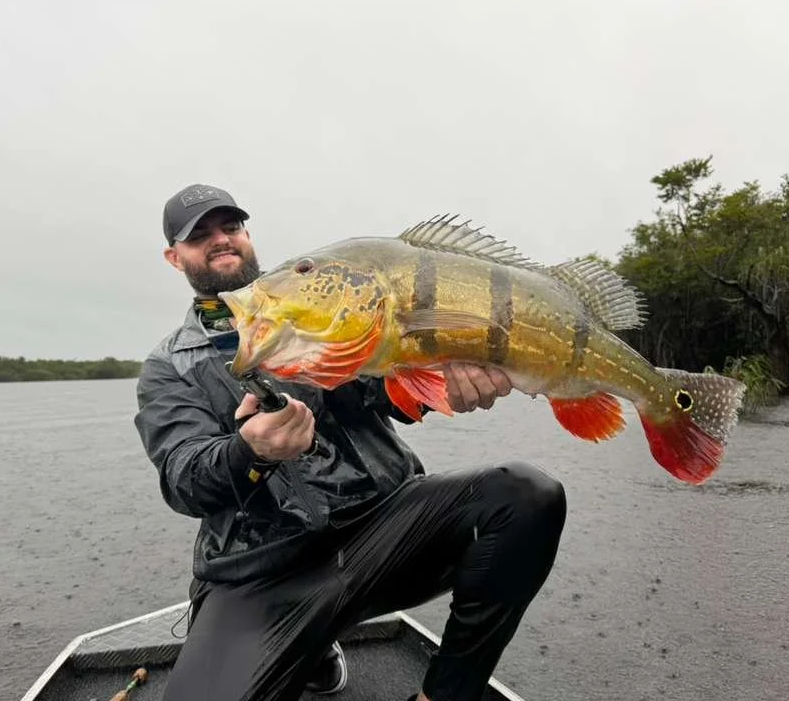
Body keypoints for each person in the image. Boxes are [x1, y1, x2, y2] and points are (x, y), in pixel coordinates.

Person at [134, 185, 567, 701]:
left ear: (248, 235)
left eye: (230, 228)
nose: (220, 240)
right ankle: (312, 642)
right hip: (261, 572)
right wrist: (250, 451)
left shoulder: (334, 311)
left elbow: (387, 393)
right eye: (198, 235)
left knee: (525, 496)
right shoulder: (167, 368)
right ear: (173, 256)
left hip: (383, 536)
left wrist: (447, 383)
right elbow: (184, 480)